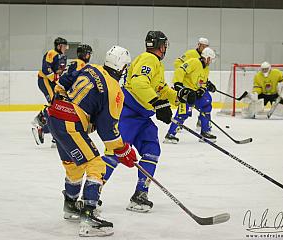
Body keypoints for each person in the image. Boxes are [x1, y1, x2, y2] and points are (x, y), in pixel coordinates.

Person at [101, 31, 196, 213]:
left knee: (152, 150)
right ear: (161, 46)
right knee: (115, 153)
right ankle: (91, 195)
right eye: (165, 45)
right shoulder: (148, 59)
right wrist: (158, 104)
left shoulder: (156, 63)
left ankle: (140, 194)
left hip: (142, 117)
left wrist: (179, 97)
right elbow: (138, 84)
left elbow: (160, 89)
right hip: (128, 114)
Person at [47, 46, 137, 237]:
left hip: (54, 116)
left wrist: (60, 90)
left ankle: (71, 205)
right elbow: (108, 131)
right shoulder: (115, 90)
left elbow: (67, 77)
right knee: (96, 164)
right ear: (121, 67)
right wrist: (123, 150)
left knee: (74, 165)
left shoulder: (92, 68)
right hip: (70, 123)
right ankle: (89, 215)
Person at [164, 37, 217, 144]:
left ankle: (205, 132)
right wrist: (178, 84)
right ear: (206, 58)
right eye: (211, 59)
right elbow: (180, 70)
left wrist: (203, 89)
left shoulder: (206, 69)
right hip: (187, 92)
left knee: (207, 104)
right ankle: (170, 134)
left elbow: (202, 81)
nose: (211, 62)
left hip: (195, 92)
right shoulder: (193, 62)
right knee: (183, 113)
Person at [32, 37, 69, 146]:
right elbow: (46, 70)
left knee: (58, 104)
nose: (65, 48)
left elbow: (60, 71)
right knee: (54, 104)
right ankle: (42, 122)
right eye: (64, 46)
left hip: (53, 82)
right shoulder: (51, 53)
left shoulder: (63, 56)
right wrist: (56, 76)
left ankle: (43, 118)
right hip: (45, 81)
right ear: (58, 46)